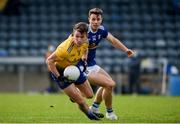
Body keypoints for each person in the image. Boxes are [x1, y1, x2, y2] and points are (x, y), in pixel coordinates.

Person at [86, 8, 135, 120]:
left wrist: (125, 49)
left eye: (98, 19)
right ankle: (110, 112)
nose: (95, 22)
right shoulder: (83, 30)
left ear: (101, 20)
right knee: (110, 84)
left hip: (93, 65)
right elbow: (70, 42)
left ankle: (94, 107)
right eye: (93, 19)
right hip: (82, 67)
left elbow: (113, 40)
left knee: (108, 85)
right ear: (89, 19)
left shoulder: (101, 30)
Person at [46, 22, 99, 120]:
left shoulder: (86, 41)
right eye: (76, 36)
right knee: (81, 102)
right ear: (73, 34)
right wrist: (58, 77)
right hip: (61, 72)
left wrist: (84, 58)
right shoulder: (64, 49)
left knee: (90, 95)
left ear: (86, 35)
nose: (79, 39)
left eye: (82, 37)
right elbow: (49, 60)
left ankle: (75, 94)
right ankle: (91, 116)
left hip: (74, 68)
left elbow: (85, 49)